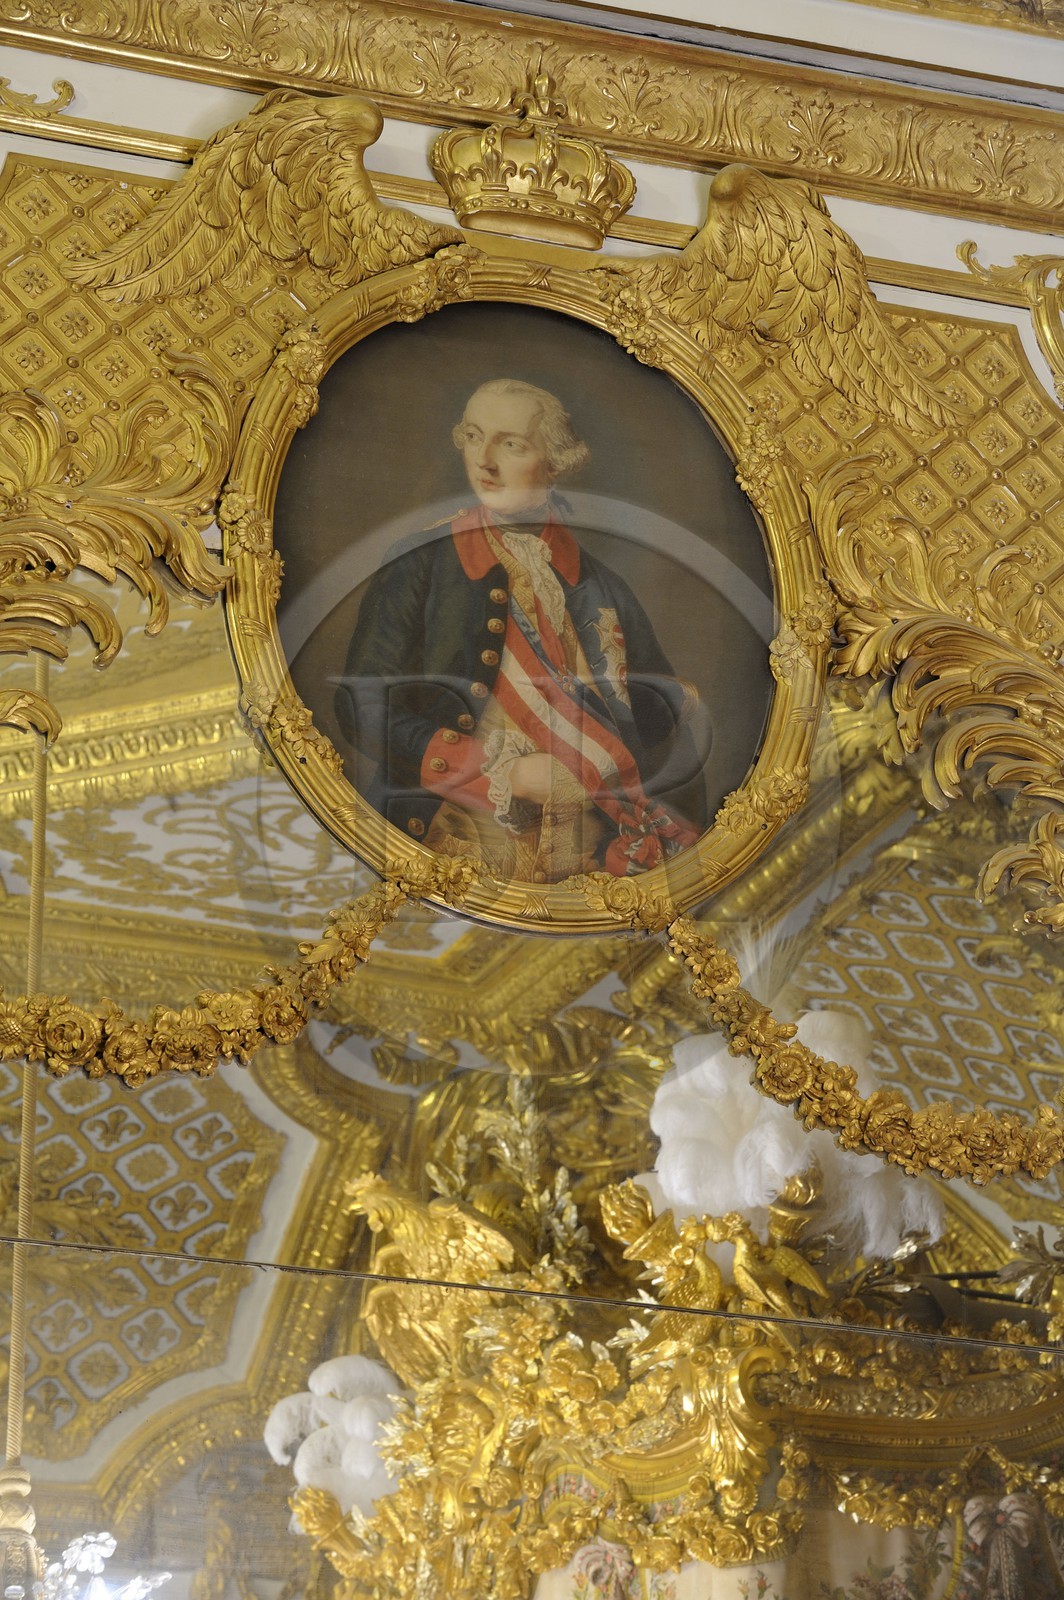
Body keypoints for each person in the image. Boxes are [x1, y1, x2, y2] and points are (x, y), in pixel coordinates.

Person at [335, 378, 708, 884]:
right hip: (456, 844)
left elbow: (650, 725)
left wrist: (674, 705)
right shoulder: (420, 562)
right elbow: (362, 705)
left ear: (556, 462)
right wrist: (505, 774)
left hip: (591, 863)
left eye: (511, 444)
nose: (484, 461)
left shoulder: (605, 587)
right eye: (473, 436)